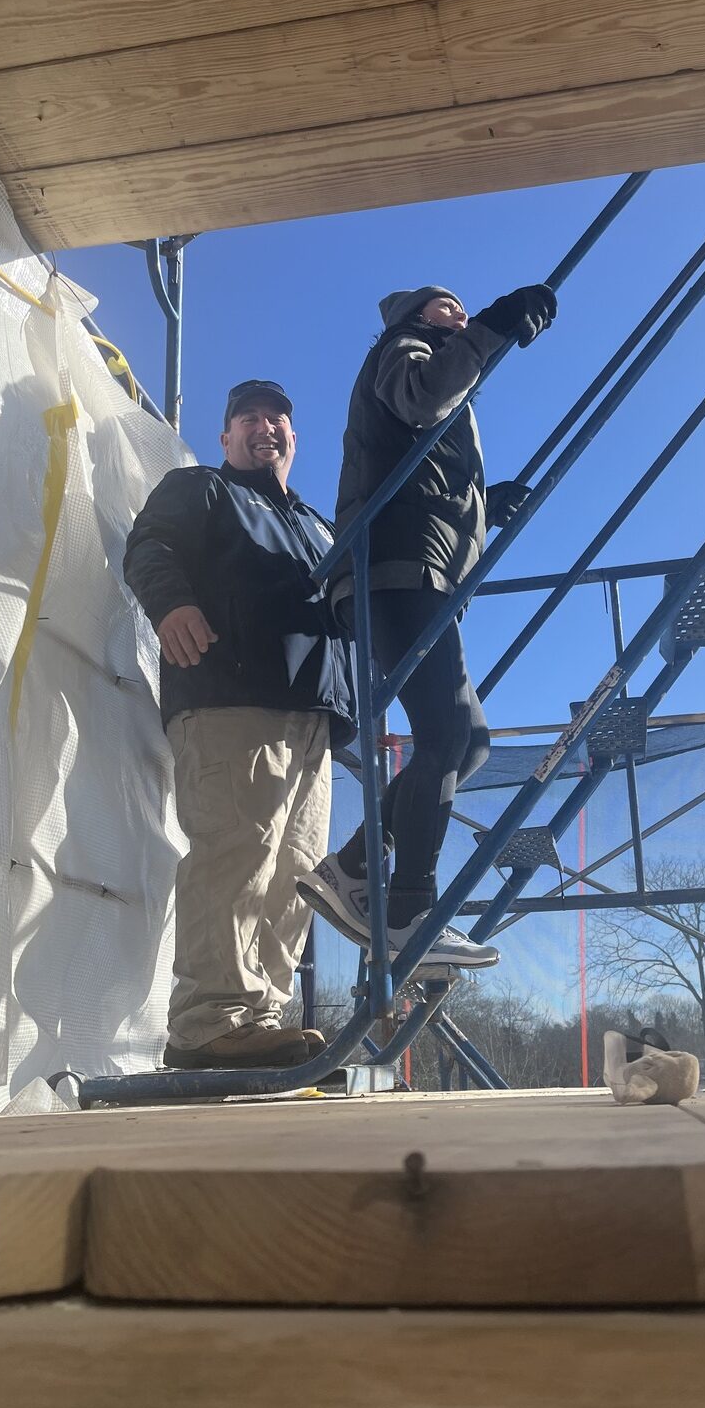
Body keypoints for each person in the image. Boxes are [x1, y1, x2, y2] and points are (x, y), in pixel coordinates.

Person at [298, 283, 556, 969]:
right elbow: (421, 397)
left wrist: (480, 503)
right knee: (445, 734)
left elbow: (418, 454)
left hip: (419, 569)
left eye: (466, 311)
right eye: (447, 307)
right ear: (416, 315)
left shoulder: (425, 357)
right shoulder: (403, 347)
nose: (461, 315)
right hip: (395, 565)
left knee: (466, 742)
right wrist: (495, 327)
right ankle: (410, 908)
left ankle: (352, 867)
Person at [123, 380, 355, 1069]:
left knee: (298, 874)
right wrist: (170, 605)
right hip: (230, 694)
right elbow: (149, 546)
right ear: (226, 438)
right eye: (248, 417)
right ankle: (208, 1022)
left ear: (292, 437)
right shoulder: (202, 490)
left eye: (278, 416)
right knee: (237, 855)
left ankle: (260, 1016)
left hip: (314, 713)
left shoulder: (318, 526)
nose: (265, 426)